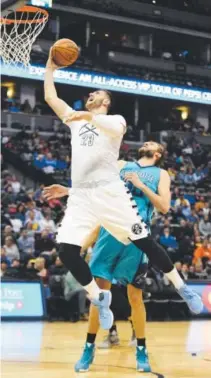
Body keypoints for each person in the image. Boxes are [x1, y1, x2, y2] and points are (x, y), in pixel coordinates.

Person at [44, 46, 203, 330]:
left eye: (96, 94)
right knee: (67, 250)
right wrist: (50, 67)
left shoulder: (115, 121)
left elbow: (104, 124)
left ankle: (182, 287)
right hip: (82, 194)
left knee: (144, 241)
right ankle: (97, 297)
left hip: (109, 191)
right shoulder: (76, 122)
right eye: (89, 94)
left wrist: (84, 116)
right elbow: (50, 97)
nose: (90, 95)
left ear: (105, 101)